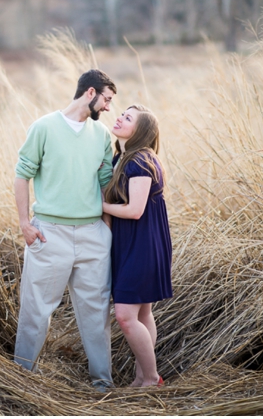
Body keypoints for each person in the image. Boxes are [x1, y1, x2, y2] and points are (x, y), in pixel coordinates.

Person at [13, 69, 117, 390]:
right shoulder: (44, 127)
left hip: (92, 236)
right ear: (90, 93)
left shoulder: (101, 137)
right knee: (35, 311)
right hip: (49, 233)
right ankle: (21, 381)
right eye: (107, 99)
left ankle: (103, 384)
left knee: (96, 315)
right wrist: (25, 225)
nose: (109, 108)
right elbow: (22, 175)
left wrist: (106, 233)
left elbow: (104, 186)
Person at [102, 104, 173, 388]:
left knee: (125, 315)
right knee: (143, 313)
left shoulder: (141, 161)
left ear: (140, 131)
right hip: (131, 243)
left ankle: (152, 378)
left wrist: (99, 206)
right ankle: (142, 377)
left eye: (128, 118)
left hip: (143, 245)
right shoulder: (120, 158)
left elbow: (134, 210)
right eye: (122, 114)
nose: (119, 118)